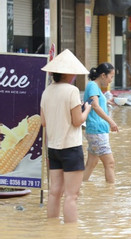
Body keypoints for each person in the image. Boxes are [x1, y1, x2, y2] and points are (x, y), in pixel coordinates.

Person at [40, 49, 91, 223]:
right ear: (68, 73)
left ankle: (52, 229)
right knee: (71, 196)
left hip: (53, 148)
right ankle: (70, 232)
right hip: (70, 148)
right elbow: (77, 121)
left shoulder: (46, 92)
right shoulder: (72, 91)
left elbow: (44, 122)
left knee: (54, 192)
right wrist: (87, 110)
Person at [83, 63, 119, 184]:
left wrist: (107, 102)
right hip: (97, 130)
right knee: (110, 163)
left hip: (95, 130)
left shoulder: (94, 87)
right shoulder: (93, 85)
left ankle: (80, 187)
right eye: (111, 76)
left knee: (91, 164)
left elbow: (96, 103)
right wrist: (111, 121)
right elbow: (95, 106)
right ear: (103, 75)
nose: (111, 80)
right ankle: (111, 194)